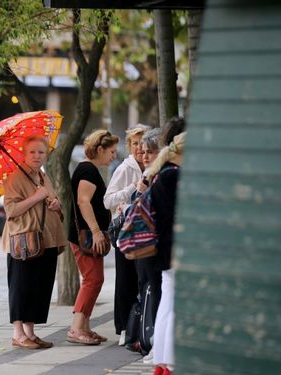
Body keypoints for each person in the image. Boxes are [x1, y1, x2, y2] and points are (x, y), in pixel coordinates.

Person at [1, 136, 67, 349]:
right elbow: (11, 210)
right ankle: (18, 334)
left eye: (41, 152)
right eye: (32, 152)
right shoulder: (15, 178)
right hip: (24, 240)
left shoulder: (42, 176)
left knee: (39, 286)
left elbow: (50, 198)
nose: (37, 156)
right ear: (23, 153)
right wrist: (37, 197)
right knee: (22, 285)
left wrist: (56, 204)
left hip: (46, 239)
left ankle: (30, 332)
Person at [67, 129, 119, 345]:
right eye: (112, 151)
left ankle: (85, 327)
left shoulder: (89, 169)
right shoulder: (87, 170)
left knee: (94, 279)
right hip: (85, 237)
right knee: (93, 279)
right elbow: (83, 201)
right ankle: (76, 328)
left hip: (87, 235)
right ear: (100, 149)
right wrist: (97, 232)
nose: (114, 156)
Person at [103, 124, 150, 344]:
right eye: (134, 143)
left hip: (146, 231)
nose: (139, 148)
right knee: (125, 280)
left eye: (142, 142)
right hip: (126, 230)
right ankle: (123, 328)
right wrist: (132, 188)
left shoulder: (153, 165)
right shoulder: (125, 168)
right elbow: (108, 200)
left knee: (143, 279)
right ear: (129, 146)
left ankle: (140, 325)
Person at [147, 132, 186, 375]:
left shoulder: (160, 174)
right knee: (175, 305)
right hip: (176, 246)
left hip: (162, 247)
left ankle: (162, 360)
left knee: (167, 302)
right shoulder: (176, 176)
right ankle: (171, 362)